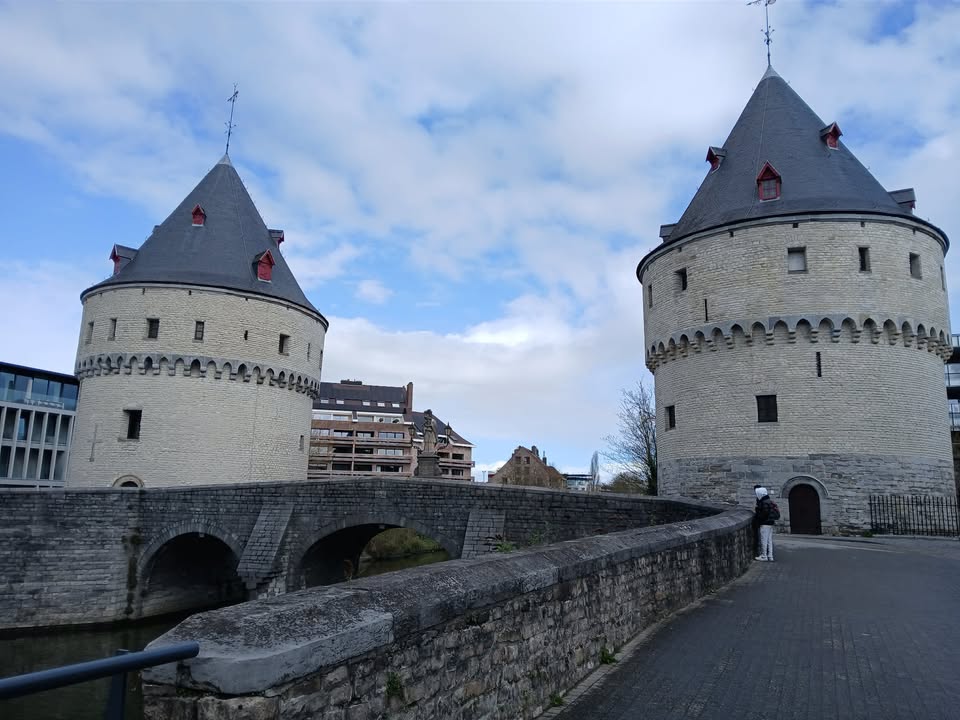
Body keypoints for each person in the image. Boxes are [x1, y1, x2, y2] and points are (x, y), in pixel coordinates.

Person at [754, 486, 777, 561]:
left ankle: (764, 556)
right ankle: (770, 556)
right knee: (769, 540)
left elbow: (764, 513)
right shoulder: (769, 500)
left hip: (765, 523)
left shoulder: (763, 502)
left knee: (764, 539)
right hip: (770, 523)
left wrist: (758, 514)